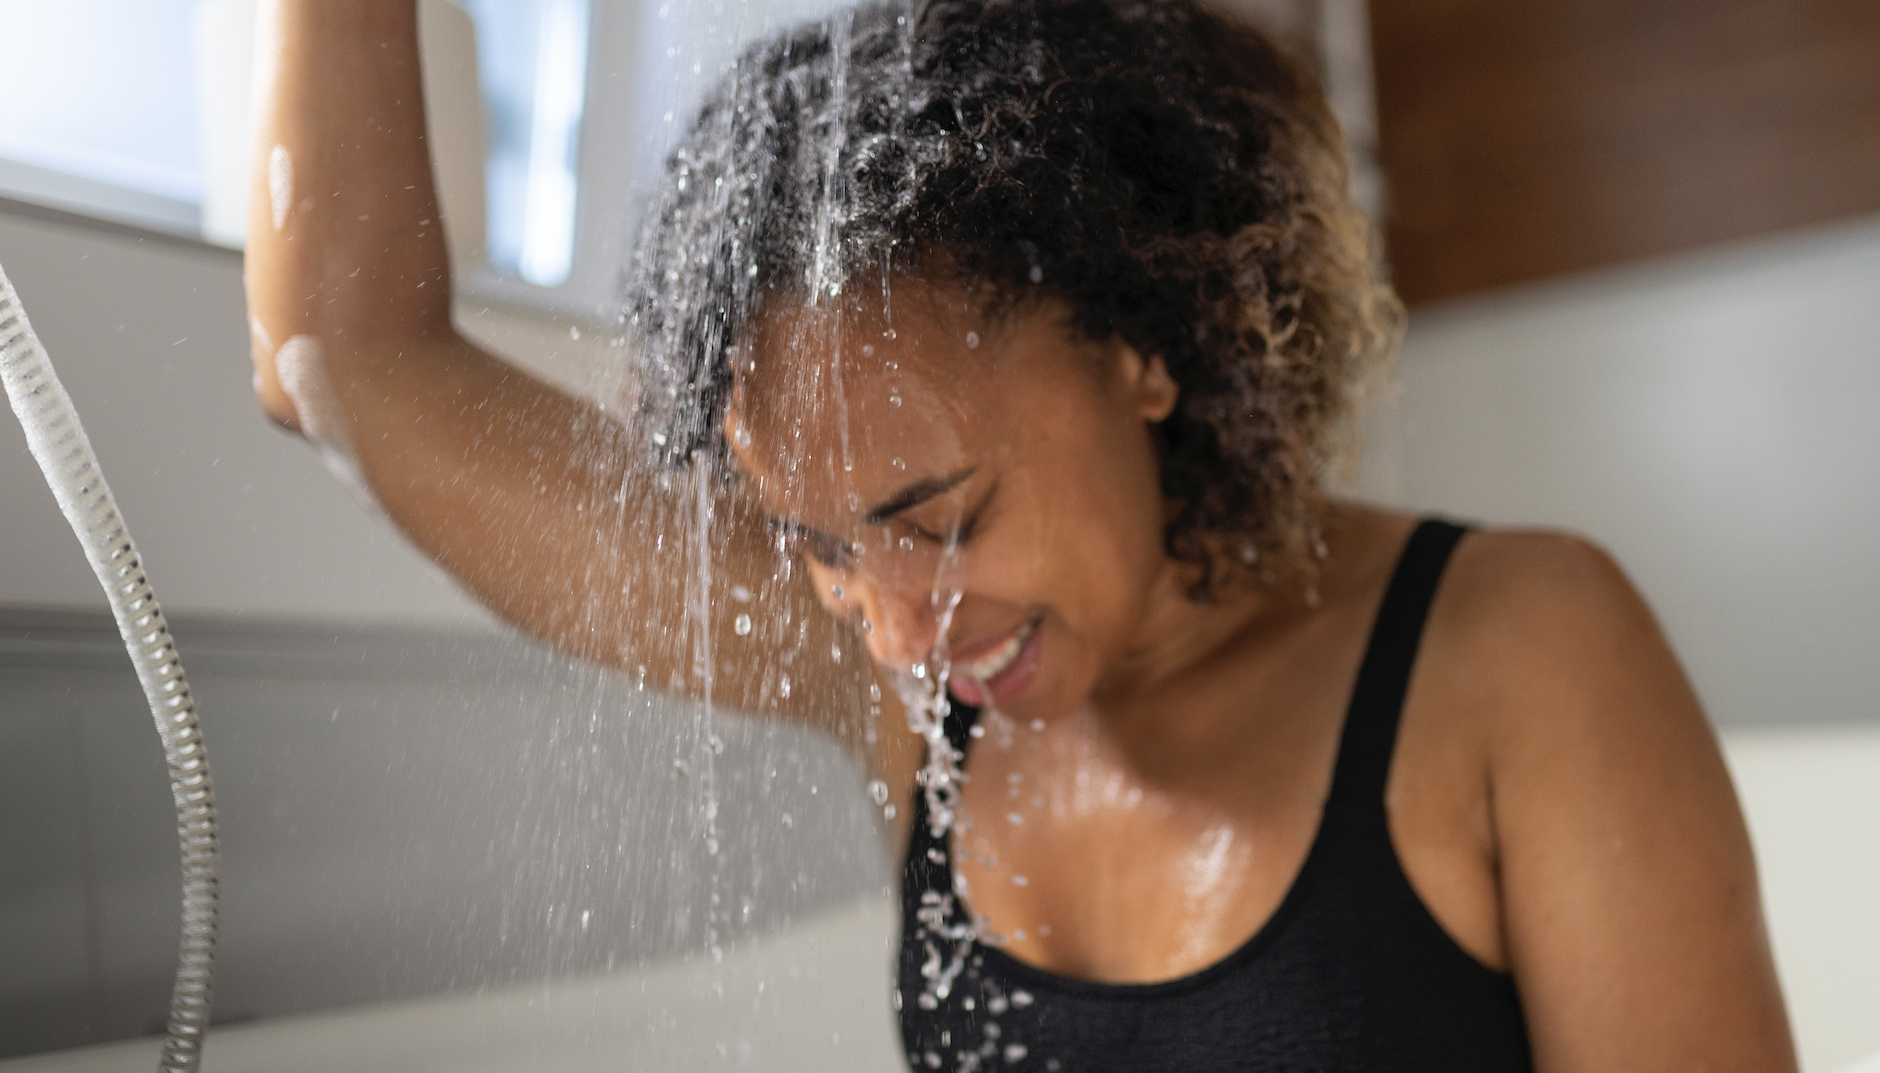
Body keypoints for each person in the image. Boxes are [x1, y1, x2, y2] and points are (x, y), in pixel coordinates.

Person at [246, 1, 1798, 1070]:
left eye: (941, 517)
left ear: (1141, 340)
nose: (898, 624)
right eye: (820, 544)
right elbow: (340, 360)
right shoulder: (900, 696)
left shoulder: (1519, 649)